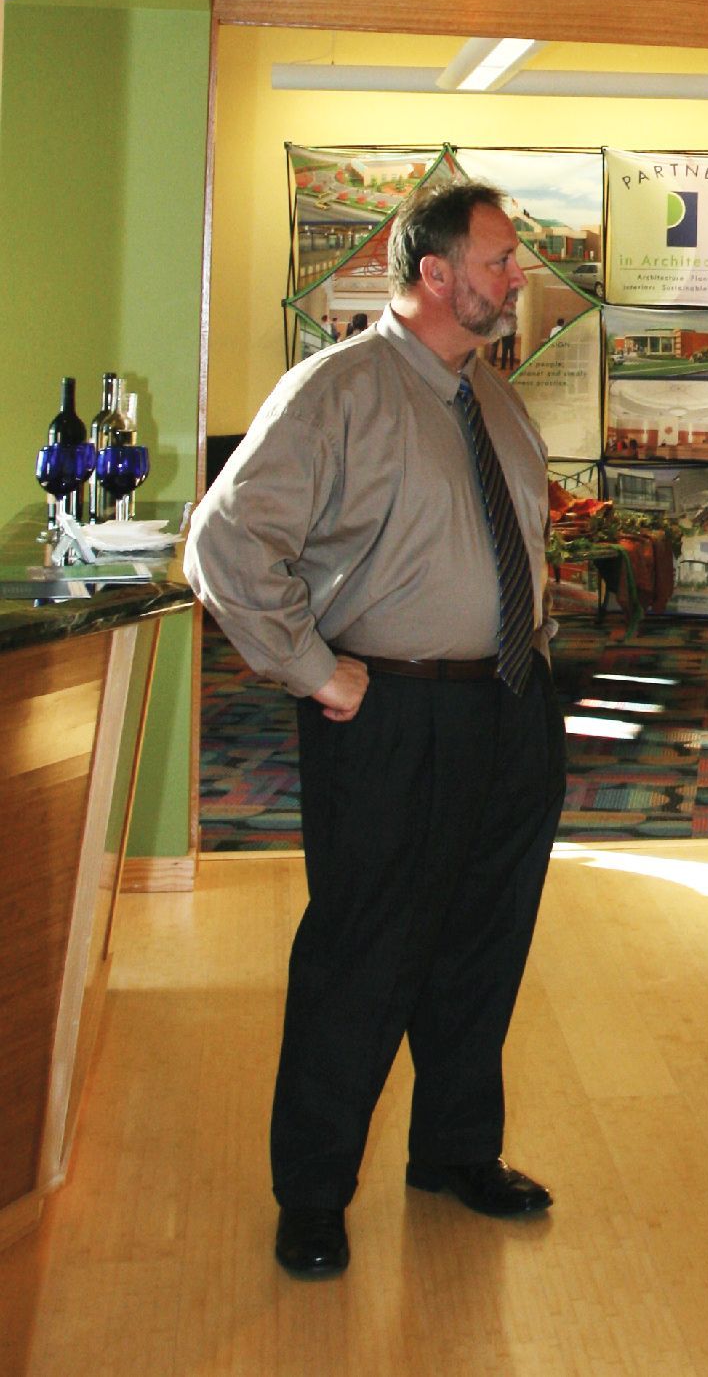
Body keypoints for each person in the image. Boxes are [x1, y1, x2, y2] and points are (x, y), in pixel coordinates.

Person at [185, 181, 567, 1278]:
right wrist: (313, 671)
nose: (516, 275)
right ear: (435, 274)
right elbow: (225, 541)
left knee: (482, 946)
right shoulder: (336, 390)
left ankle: (454, 1151)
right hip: (391, 714)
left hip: (508, 709)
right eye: (499, 258)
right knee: (363, 958)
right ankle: (311, 1195)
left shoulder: (491, 397)